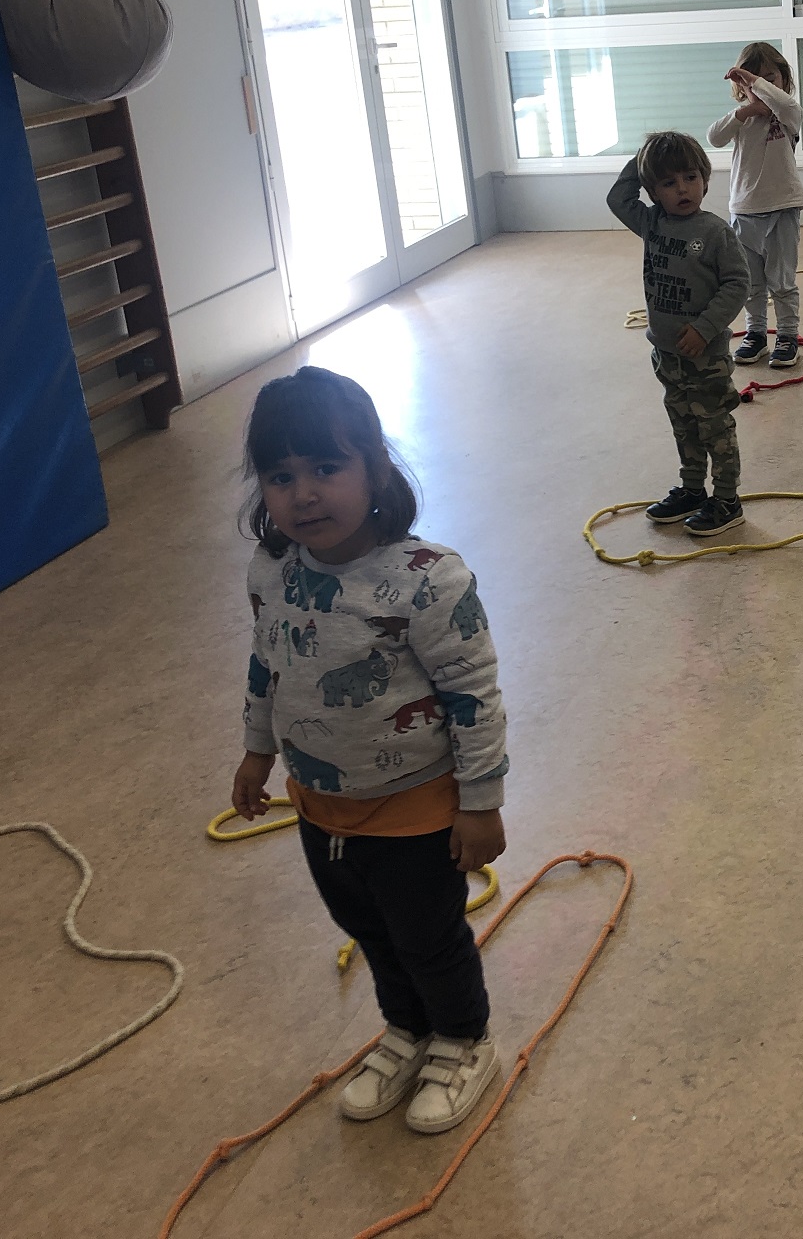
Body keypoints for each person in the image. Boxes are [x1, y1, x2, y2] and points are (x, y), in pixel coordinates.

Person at [231, 366, 509, 1137]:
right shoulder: (271, 571)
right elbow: (267, 663)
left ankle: (464, 1039)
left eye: (327, 468)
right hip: (320, 804)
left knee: (428, 937)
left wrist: (481, 805)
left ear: (376, 469)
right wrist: (256, 752)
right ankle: (408, 1028)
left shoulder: (428, 581)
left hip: (416, 808)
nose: (304, 494)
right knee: (370, 929)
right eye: (281, 476)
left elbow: (474, 696)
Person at [607, 131, 751, 538]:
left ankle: (727, 500)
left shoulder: (716, 232)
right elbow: (618, 198)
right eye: (668, 183)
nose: (682, 189)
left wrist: (705, 328)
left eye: (690, 177)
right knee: (683, 424)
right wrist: (643, 158)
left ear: (705, 180)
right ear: (653, 191)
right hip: (666, 353)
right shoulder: (652, 223)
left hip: (705, 356)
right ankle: (692, 490)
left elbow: (738, 284)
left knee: (715, 427)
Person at [707, 42, 803, 371]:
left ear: (782, 81)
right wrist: (746, 110)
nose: (761, 86)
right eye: (751, 80)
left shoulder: (787, 115)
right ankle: (756, 333)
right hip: (744, 210)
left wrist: (755, 82)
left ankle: (787, 335)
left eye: (770, 78)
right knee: (751, 281)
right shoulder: (741, 121)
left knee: (782, 281)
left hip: (782, 208)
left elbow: (786, 103)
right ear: (740, 88)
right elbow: (714, 137)